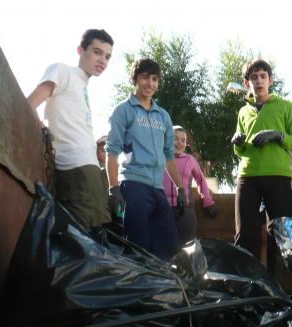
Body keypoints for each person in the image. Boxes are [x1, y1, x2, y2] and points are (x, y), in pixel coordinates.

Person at [27, 29, 114, 230]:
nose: (103, 60)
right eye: (97, 52)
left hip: (91, 171)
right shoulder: (62, 71)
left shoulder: (83, 86)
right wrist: (45, 133)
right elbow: (29, 104)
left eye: (108, 56)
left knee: (96, 239)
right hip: (75, 170)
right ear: (80, 50)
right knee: (81, 243)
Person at [105, 58, 185, 261]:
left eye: (155, 79)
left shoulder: (163, 116)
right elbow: (112, 152)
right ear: (135, 79)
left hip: (157, 189)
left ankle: (163, 290)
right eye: (145, 77)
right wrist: (113, 189)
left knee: (169, 245)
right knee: (138, 245)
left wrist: (180, 188)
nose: (150, 83)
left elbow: (168, 156)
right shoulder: (122, 111)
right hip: (133, 185)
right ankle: (137, 291)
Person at [231, 59, 292, 273]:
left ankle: (274, 283)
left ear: (270, 80)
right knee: (244, 232)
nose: (258, 81)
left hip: (278, 176)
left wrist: (278, 136)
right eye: (253, 78)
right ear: (247, 84)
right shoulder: (243, 112)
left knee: (277, 232)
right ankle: (246, 282)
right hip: (248, 175)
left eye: (263, 76)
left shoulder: (285, 106)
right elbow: (241, 151)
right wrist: (236, 142)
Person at [163, 125, 218, 243]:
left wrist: (208, 201)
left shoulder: (190, 160)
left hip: (185, 211)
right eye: (175, 139)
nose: (179, 143)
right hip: (164, 209)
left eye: (183, 140)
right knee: (164, 248)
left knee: (187, 249)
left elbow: (201, 180)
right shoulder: (160, 158)